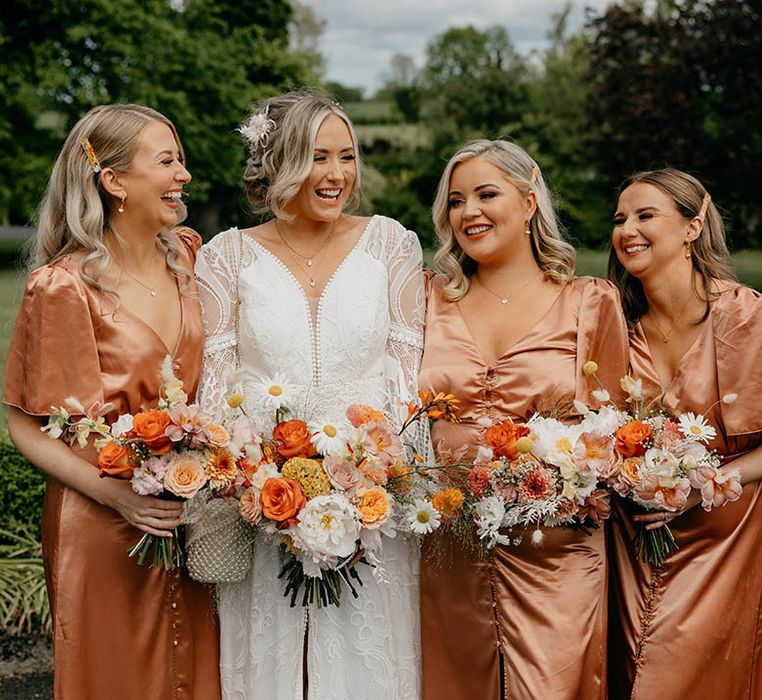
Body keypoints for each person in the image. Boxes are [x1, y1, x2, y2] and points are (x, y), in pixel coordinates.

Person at [194, 92, 426, 699]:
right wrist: (255, 485)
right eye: (317, 157)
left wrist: (384, 484)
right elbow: (217, 388)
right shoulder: (226, 257)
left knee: (367, 651)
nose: (336, 174)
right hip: (263, 499)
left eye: (346, 157)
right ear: (279, 161)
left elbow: (405, 378)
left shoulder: (391, 245)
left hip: (375, 498)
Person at [3, 104, 220, 698]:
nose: (185, 176)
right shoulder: (64, 285)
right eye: (168, 161)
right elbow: (25, 426)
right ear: (115, 181)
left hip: (189, 517)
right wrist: (116, 495)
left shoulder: (189, 259)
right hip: (99, 520)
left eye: (182, 160)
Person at [418, 139, 628, 700]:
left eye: (488, 194)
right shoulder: (425, 298)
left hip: (556, 552)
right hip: (448, 548)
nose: (470, 212)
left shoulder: (590, 302)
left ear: (530, 201)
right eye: (456, 201)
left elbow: (616, 428)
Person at [607, 168, 762, 698]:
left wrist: (706, 484)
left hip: (727, 544)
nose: (627, 228)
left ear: (692, 226)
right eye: (620, 218)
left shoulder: (748, 318)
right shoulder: (615, 330)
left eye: (645, 215)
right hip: (634, 547)